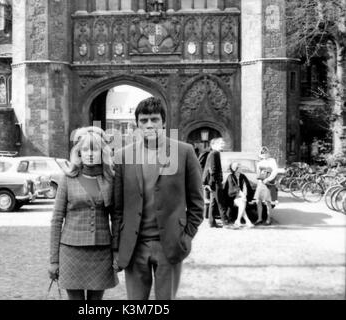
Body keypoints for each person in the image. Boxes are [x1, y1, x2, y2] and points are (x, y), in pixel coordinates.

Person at [112, 97, 204, 300]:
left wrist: (186, 237)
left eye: (154, 119)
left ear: (163, 122)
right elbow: (118, 208)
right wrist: (117, 247)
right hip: (134, 246)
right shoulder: (123, 156)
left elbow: (197, 203)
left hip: (169, 244)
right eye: (143, 120)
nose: (149, 125)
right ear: (137, 124)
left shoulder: (184, 152)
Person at [49, 127, 119, 300]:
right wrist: (53, 261)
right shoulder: (68, 178)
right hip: (71, 252)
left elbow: (116, 218)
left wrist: (116, 251)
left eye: (94, 149)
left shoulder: (110, 179)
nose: (89, 154)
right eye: (85, 149)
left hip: (101, 253)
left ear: (102, 152)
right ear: (79, 152)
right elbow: (57, 220)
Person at [203, 137, 229, 228]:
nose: (223, 144)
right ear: (214, 145)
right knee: (221, 202)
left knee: (213, 202)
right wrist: (213, 183)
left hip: (213, 182)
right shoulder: (215, 153)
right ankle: (225, 223)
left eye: (223, 143)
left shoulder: (212, 153)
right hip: (215, 182)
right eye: (221, 143)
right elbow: (213, 170)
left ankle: (211, 222)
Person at [223, 162, 255, 229]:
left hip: (241, 198)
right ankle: (245, 221)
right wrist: (241, 195)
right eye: (240, 167)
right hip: (232, 198)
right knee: (242, 202)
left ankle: (239, 221)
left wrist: (244, 195)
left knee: (242, 203)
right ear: (235, 169)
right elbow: (232, 189)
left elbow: (246, 186)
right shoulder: (230, 177)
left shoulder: (243, 176)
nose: (241, 168)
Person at [254, 146, 279, 226]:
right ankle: (259, 218)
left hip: (268, 183)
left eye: (265, 152)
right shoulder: (259, 163)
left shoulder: (272, 161)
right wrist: (259, 181)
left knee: (268, 202)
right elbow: (258, 173)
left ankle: (268, 219)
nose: (264, 154)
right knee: (258, 201)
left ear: (268, 152)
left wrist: (268, 179)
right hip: (261, 183)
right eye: (262, 152)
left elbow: (275, 171)